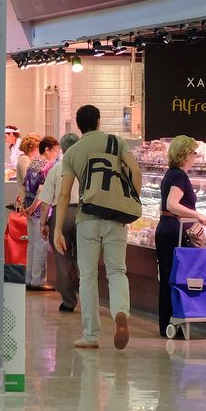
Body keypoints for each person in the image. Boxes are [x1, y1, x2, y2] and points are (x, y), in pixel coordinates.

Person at [54, 105, 139, 351]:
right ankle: (121, 312)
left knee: (88, 277)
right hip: (115, 216)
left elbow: (64, 194)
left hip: (87, 218)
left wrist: (58, 229)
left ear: (79, 126)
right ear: (99, 121)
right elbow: (134, 170)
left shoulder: (73, 152)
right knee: (117, 271)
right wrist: (131, 203)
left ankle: (91, 334)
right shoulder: (116, 142)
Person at [153, 136, 206, 337]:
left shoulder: (171, 174)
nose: (195, 157)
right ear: (185, 154)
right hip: (173, 231)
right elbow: (172, 204)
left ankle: (168, 320)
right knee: (173, 277)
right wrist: (198, 215)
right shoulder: (179, 176)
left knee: (168, 276)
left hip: (166, 230)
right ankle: (171, 320)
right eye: (193, 153)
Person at [38, 133, 80, 312]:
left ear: (62, 149)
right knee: (83, 258)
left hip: (61, 216)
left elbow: (46, 199)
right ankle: (86, 295)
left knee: (62, 259)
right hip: (84, 214)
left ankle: (69, 301)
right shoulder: (85, 167)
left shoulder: (56, 169)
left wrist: (43, 223)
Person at [22, 135, 60, 291]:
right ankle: (38, 280)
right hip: (38, 211)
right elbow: (42, 190)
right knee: (41, 245)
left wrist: (26, 206)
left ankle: (29, 277)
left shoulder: (33, 163)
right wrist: (33, 207)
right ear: (47, 149)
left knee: (31, 244)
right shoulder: (48, 166)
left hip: (29, 210)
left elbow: (25, 185)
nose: (57, 154)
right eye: (56, 150)